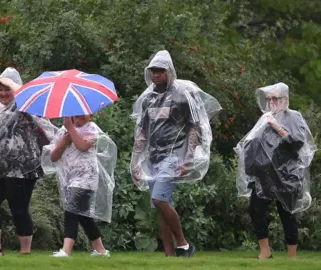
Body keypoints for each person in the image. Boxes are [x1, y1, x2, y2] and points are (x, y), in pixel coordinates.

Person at [130, 50, 221, 257]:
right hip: (154, 157)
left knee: (159, 199)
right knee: (161, 207)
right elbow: (142, 132)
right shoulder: (148, 100)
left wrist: (188, 158)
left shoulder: (182, 96)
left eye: (160, 71)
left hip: (174, 156)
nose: (156, 75)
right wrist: (135, 161)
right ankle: (170, 257)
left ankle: (184, 244)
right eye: (153, 71)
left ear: (169, 71)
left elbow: (193, 128)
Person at [0, 68, 57, 256]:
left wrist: (19, 93)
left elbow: (43, 124)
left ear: (16, 89)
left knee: (18, 208)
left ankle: (25, 251)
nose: (3, 93)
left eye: (7, 88)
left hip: (22, 168)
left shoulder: (26, 105)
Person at [235, 82, 317, 259]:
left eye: (275, 98)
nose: (271, 102)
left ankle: (291, 256)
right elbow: (253, 143)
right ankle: (265, 251)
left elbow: (297, 143)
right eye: (269, 99)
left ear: (285, 100)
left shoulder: (294, 117)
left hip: (288, 176)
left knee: (287, 214)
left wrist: (276, 127)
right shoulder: (264, 118)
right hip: (265, 175)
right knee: (255, 209)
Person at [42, 115, 116, 257]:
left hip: (87, 177)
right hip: (69, 178)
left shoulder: (92, 128)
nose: (79, 119)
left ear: (90, 115)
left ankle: (66, 250)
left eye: (83, 116)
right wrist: (64, 141)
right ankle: (101, 250)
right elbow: (53, 157)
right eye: (76, 116)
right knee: (83, 215)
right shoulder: (63, 130)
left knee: (71, 208)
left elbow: (83, 146)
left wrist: (71, 128)